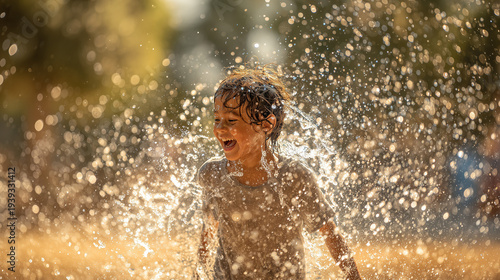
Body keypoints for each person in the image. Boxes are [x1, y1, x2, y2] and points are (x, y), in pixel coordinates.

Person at [196, 66, 361, 279]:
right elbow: (208, 231)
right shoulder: (213, 174)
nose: (219, 129)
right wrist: (198, 274)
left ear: (266, 124)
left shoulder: (293, 177)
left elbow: (329, 232)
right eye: (217, 119)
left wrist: (354, 277)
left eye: (231, 121)